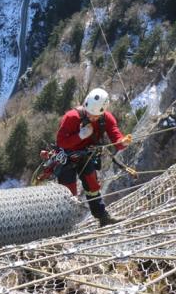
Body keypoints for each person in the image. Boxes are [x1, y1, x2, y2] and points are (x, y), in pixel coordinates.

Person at [55, 88, 132, 226]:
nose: (92, 118)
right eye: (90, 114)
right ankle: (65, 224)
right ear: (85, 106)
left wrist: (122, 142)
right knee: (68, 192)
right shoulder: (72, 117)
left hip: (86, 156)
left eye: (95, 117)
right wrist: (80, 136)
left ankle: (103, 217)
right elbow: (61, 142)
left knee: (93, 187)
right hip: (67, 157)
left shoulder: (106, 119)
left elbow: (116, 137)